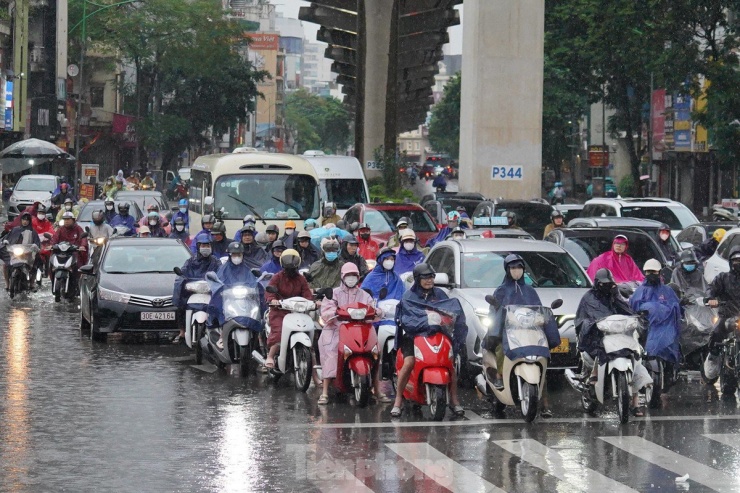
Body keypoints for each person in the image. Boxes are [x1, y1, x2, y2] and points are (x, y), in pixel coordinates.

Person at [486, 254, 559, 417]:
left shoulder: (530, 290)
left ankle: (544, 402)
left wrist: (541, 318)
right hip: (508, 332)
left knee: (540, 358)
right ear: (507, 270)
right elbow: (494, 311)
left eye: (519, 268)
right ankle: (499, 380)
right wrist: (502, 317)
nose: (516, 271)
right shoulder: (501, 290)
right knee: (500, 350)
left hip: (529, 332)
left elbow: (537, 309)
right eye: (513, 268)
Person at [391, 263, 467, 418]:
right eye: (425, 277)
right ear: (418, 279)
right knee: (409, 362)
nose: (429, 280)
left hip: (438, 333)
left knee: (449, 364)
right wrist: (426, 321)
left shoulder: (440, 294)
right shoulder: (409, 297)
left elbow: (450, 313)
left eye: (431, 277)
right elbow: (407, 319)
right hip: (414, 336)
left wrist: (444, 320)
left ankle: (454, 399)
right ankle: (398, 400)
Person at [318, 263, 390, 404]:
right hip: (337, 329)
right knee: (331, 351)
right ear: (342, 277)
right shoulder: (334, 293)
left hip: (361, 329)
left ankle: (377, 388)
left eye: (354, 276)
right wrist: (334, 313)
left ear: (358, 277)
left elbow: (373, 308)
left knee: (375, 353)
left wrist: (377, 312)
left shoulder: (364, 294)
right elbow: (326, 311)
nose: (351, 279)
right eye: (348, 276)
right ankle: (325, 391)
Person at [630, 259, 682, 410]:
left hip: (665, 330)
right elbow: (633, 306)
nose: (651, 274)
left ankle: (672, 366)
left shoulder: (667, 291)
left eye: (654, 271)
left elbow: (676, 306)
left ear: (659, 272)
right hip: (646, 330)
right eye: (648, 272)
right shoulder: (640, 290)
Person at [211, 242, 265, 350]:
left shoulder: (246, 269)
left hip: (244, 301)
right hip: (228, 301)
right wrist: (221, 290)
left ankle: (258, 336)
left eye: (239, 255)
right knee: (220, 310)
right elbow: (217, 284)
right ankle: (222, 335)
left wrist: (257, 285)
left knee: (258, 311)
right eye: (234, 255)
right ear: (230, 255)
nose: (237, 257)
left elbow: (253, 282)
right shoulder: (223, 270)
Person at [265, 249, 314, 368]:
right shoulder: (277, 277)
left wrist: (314, 303)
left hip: (298, 311)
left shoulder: (301, 279)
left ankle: (314, 374)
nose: (291, 269)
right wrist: (273, 300)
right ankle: (270, 356)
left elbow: (307, 294)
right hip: (280, 311)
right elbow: (269, 291)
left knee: (312, 332)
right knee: (279, 331)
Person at [171, 233, 222, 343]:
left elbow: (221, 274)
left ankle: (219, 330)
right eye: (203, 245)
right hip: (192, 291)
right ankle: (182, 331)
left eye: (207, 245)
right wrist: (183, 279)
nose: (205, 248)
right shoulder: (190, 261)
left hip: (210, 291)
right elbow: (182, 273)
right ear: (198, 247)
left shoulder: (216, 262)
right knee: (180, 305)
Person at [706, 247, 740, 352]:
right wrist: (711, 298)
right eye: (735, 260)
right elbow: (711, 289)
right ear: (730, 262)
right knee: (716, 334)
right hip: (726, 316)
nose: (738, 263)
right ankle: (713, 360)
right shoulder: (722, 278)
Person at [2, 212, 40, 290]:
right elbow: (7, 238)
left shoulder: (33, 231)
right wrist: (5, 241)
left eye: (27, 220)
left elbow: (37, 243)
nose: (25, 221)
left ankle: (32, 283)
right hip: (14, 253)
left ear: (29, 221)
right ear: (21, 220)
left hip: (27, 254)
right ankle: (7, 284)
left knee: (35, 264)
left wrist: (35, 246)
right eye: (23, 219)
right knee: (5, 265)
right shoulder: (15, 229)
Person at [50, 212, 87, 289]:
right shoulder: (61, 229)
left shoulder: (78, 228)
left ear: (73, 220)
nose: (66, 221)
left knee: (78, 265)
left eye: (68, 219)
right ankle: (52, 280)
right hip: (61, 253)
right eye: (65, 219)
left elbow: (83, 238)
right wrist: (51, 245)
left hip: (74, 253)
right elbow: (54, 239)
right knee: (51, 263)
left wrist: (82, 246)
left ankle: (77, 284)